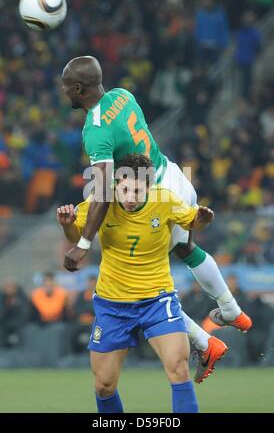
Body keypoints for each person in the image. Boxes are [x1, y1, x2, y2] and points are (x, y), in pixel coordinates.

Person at [61, 55, 252, 378]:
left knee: (140, 287)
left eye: (66, 86)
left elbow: (105, 189)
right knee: (186, 250)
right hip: (175, 178)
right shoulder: (122, 95)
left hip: (152, 201)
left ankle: (206, 343)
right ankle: (231, 309)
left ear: (78, 88)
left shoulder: (95, 130)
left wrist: (83, 242)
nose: (63, 91)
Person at [57, 153, 223, 413]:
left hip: (158, 300)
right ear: (115, 183)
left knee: (178, 369)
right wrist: (67, 225)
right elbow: (76, 234)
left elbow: (193, 221)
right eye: (125, 189)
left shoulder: (164, 199)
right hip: (112, 304)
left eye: (138, 190)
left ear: (149, 186)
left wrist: (202, 219)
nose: (131, 197)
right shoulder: (100, 201)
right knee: (104, 385)